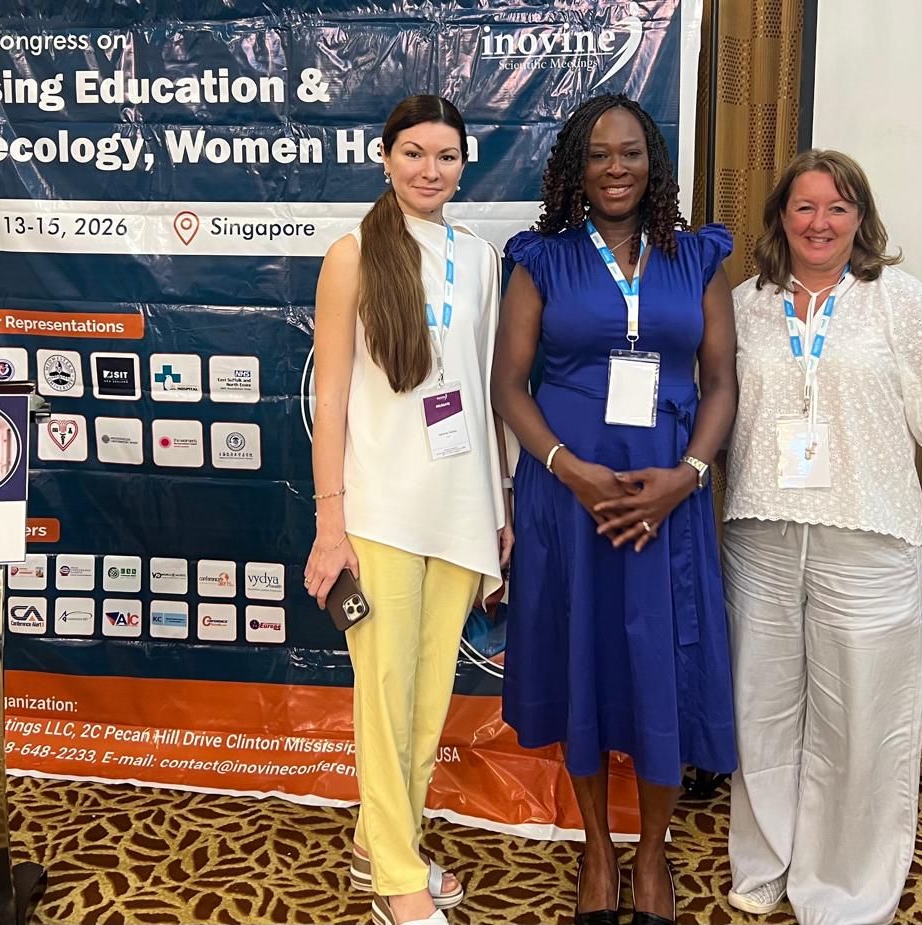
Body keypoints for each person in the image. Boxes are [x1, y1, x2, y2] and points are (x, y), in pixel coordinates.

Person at [722, 149, 922, 925]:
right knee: (761, 710)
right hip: (761, 536)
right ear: (781, 216)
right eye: (805, 206)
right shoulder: (745, 304)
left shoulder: (898, 300)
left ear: (860, 219)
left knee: (863, 719)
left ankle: (844, 887)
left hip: (869, 541)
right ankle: (766, 861)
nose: (821, 222)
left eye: (838, 207)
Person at [491, 94, 738, 925]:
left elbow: (722, 383)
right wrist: (567, 468)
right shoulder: (542, 259)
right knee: (583, 663)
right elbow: (508, 386)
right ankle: (598, 848)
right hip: (571, 501)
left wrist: (688, 475)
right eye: (598, 155)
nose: (616, 168)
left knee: (663, 669)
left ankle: (652, 852)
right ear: (575, 167)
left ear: (653, 162)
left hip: (667, 500)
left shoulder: (696, 256)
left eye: (630, 152)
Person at [303, 94, 512, 925]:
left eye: (447, 155)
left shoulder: (480, 257)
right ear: (385, 157)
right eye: (415, 153)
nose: (432, 170)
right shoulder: (352, 253)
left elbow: (488, 391)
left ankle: (378, 841)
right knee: (384, 694)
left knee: (426, 702)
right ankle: (397, 874)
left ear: (465, 163)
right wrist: (330, 524)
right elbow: (330, 398)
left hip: (460, 505)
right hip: (380, 509)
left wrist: (499, 500)